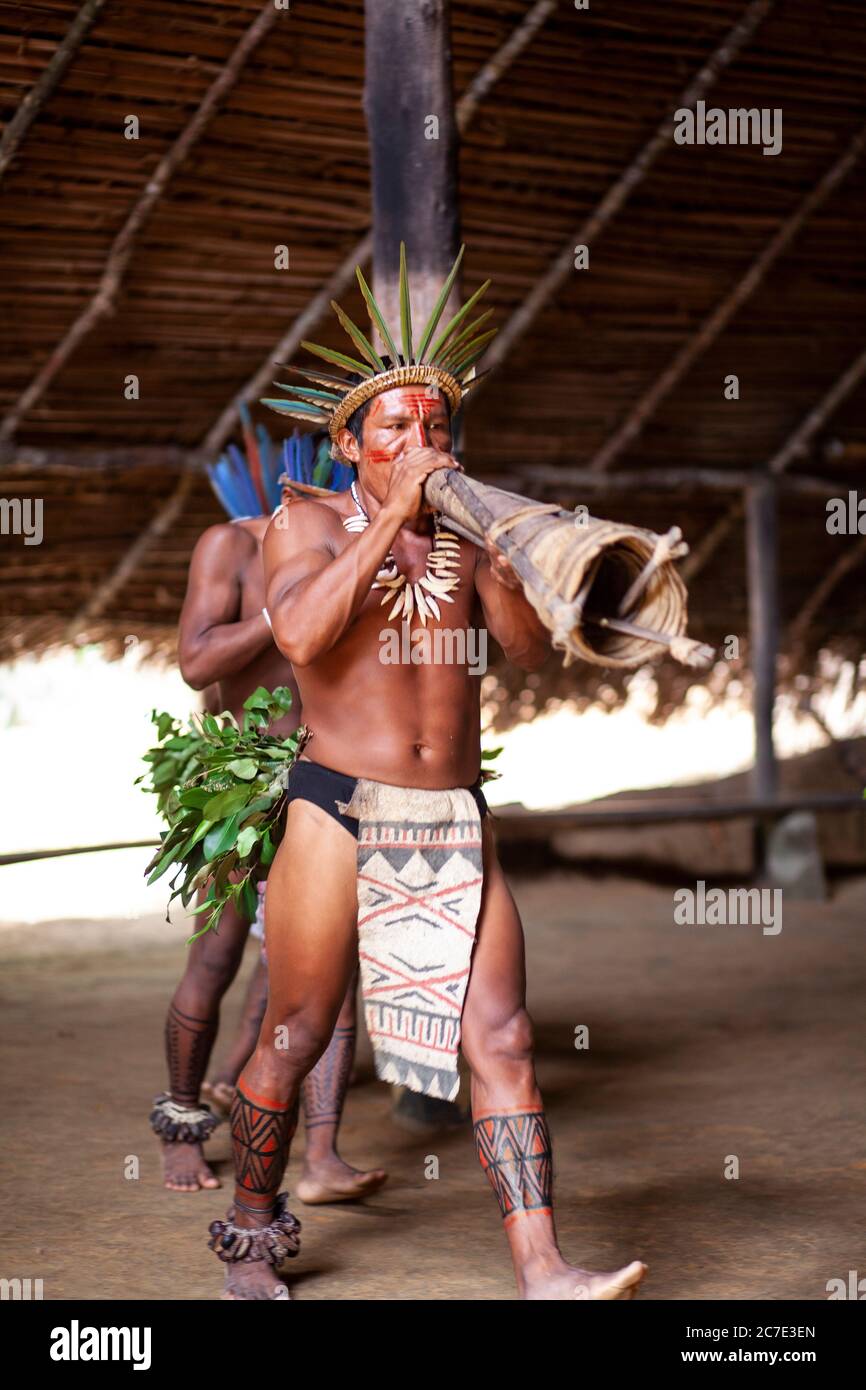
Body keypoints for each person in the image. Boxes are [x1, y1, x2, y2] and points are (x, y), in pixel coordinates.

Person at [207, 247, 647, 1300]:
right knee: (298, 1029)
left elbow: (527, 655)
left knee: (500, 1033)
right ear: (350, 442)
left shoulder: (459, 530)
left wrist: (501, 560)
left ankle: (542, 1267)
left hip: (453, 811)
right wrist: (390, 521)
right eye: (396, 428)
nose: (421, 443)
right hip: (337, 810)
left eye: (435, 427)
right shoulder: (302, 523)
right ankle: (253, 1228)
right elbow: (304, 634)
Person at [151, 454, 386, 1206]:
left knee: (331, 970)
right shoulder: (230, 545)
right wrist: (280, 612)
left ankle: (322, 1157)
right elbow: (195, 661)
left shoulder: (356, 547)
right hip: (240, 773)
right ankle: (181, 1125)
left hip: (328, 774)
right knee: (217, 953)